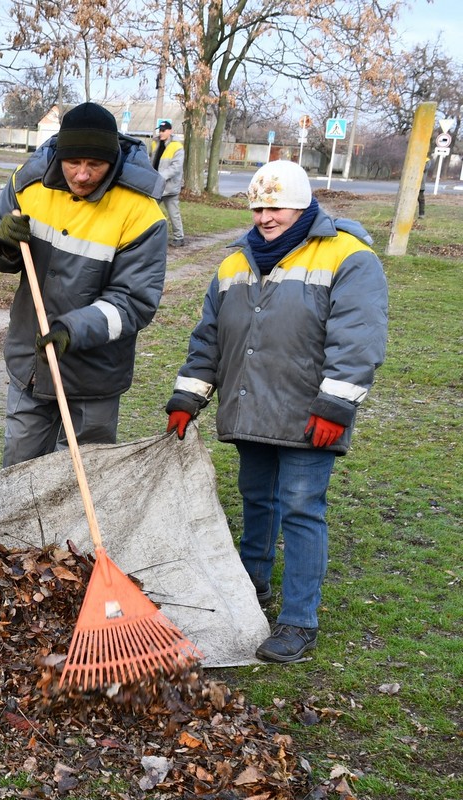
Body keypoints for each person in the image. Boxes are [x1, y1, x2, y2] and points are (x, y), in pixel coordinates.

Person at [164, 160, 388, 664]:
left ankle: (299, 622)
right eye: (258, 207)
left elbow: (358, 340)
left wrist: (335, 405)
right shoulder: (234, 264)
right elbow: (209, 339)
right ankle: (253, 587)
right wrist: (189, 396)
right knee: (257, 502)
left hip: (310, 416)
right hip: (250, 410)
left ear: (304, 204)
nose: (266, 217)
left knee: (303, 509)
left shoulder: (349, 257)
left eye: (276, 207)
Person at [0, 101, 168, 467]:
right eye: (73, 163)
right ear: (59, 155)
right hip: (30, 364)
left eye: (95, 165)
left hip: (93, 375)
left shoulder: (142, 213)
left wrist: (72, 329)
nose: (82, 175)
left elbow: (134, 302)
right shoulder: (28, 184)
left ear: (112, 161)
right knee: (17, 475)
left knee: (82, 480)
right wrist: (2, 244)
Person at [150, 120, 185, 247]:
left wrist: (161, 176)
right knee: (149, 210)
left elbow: (176, 167)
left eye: (163, 130)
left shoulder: (177, 146)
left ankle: (179, 238)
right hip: (156, 184)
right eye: (160, 130)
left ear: (170, 131)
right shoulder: (155, 143)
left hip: (170, 187)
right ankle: (148, 235)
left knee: (173, 213)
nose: (161, 133)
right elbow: (152, 160)